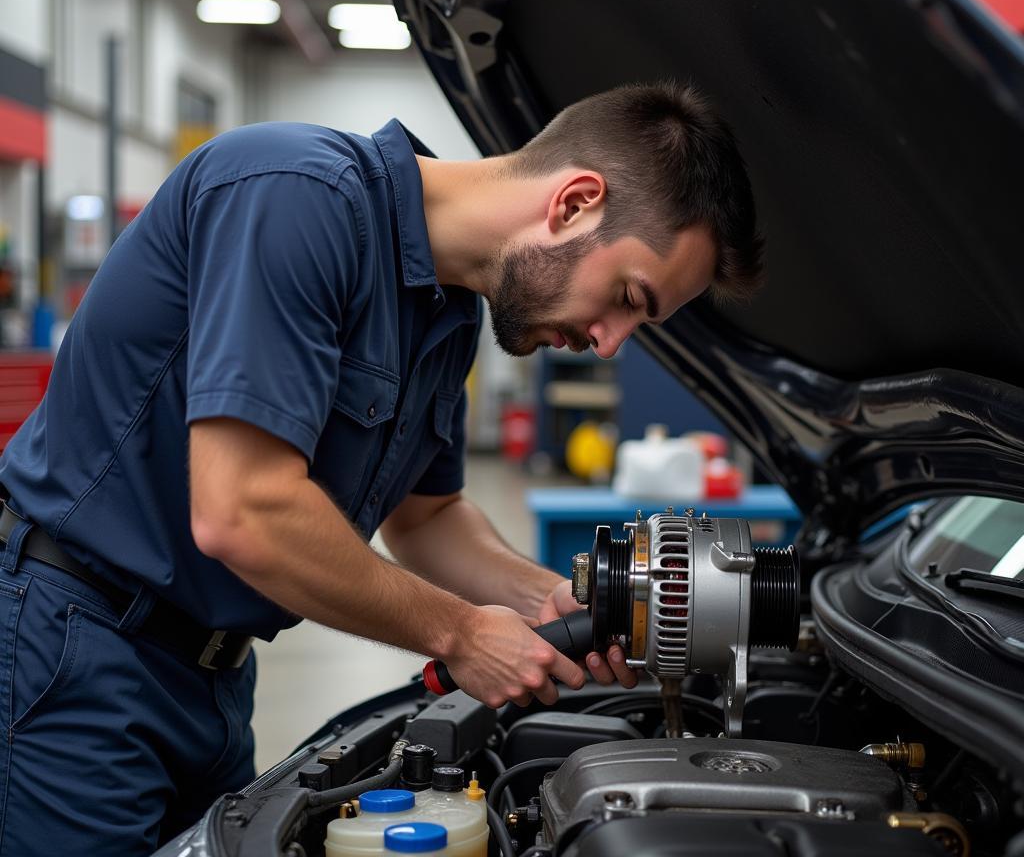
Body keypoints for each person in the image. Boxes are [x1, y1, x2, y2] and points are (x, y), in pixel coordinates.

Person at [0, 80, 762, 854]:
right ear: (574, 204)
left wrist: (548, 601)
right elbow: (242, 512)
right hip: (77, 650)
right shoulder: (296, 198)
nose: (610, 343)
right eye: (628, 297)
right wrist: (461, 632)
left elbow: (426, 517)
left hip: (212, 679)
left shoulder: (452, 311)